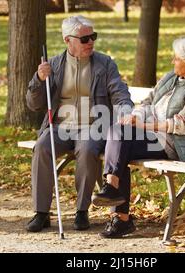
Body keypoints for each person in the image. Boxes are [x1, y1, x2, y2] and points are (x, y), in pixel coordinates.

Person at [92, 36, 185, 238]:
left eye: (177, 58)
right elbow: (149, 102)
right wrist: (135, 117)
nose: (173, 61)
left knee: (120, 145)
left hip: (174, 145)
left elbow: (182, 125)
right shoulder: (171, 78)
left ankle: (118, 210)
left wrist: (144, 125)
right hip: (153, 136)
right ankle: (113, 191)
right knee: (117, 132)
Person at [26, 15, 133, 232]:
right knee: (42, 147)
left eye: (93, 37)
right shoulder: (54, 64)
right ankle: (41, 212)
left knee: (86, 149)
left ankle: (81, 211)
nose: (91, 42)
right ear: (68, 40)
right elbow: (33, 104)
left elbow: (119, 92)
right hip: (59, 127)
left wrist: (125, 110)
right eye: (85, 39)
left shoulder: (105, 64)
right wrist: (38, 79)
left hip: (93, 127)